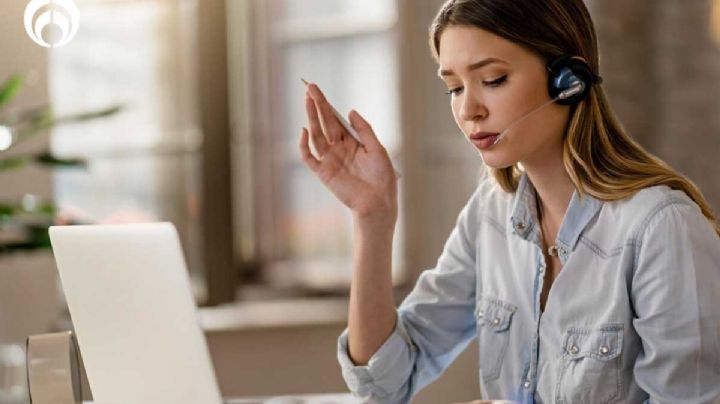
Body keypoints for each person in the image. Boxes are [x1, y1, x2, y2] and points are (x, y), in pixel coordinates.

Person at [298, 0, 720, 402]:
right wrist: (372, 217)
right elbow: (382, 384)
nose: (469, 109)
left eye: (493, 79)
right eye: (454, 88)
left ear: (568, 80)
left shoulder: (662, 229)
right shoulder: (491, 213)